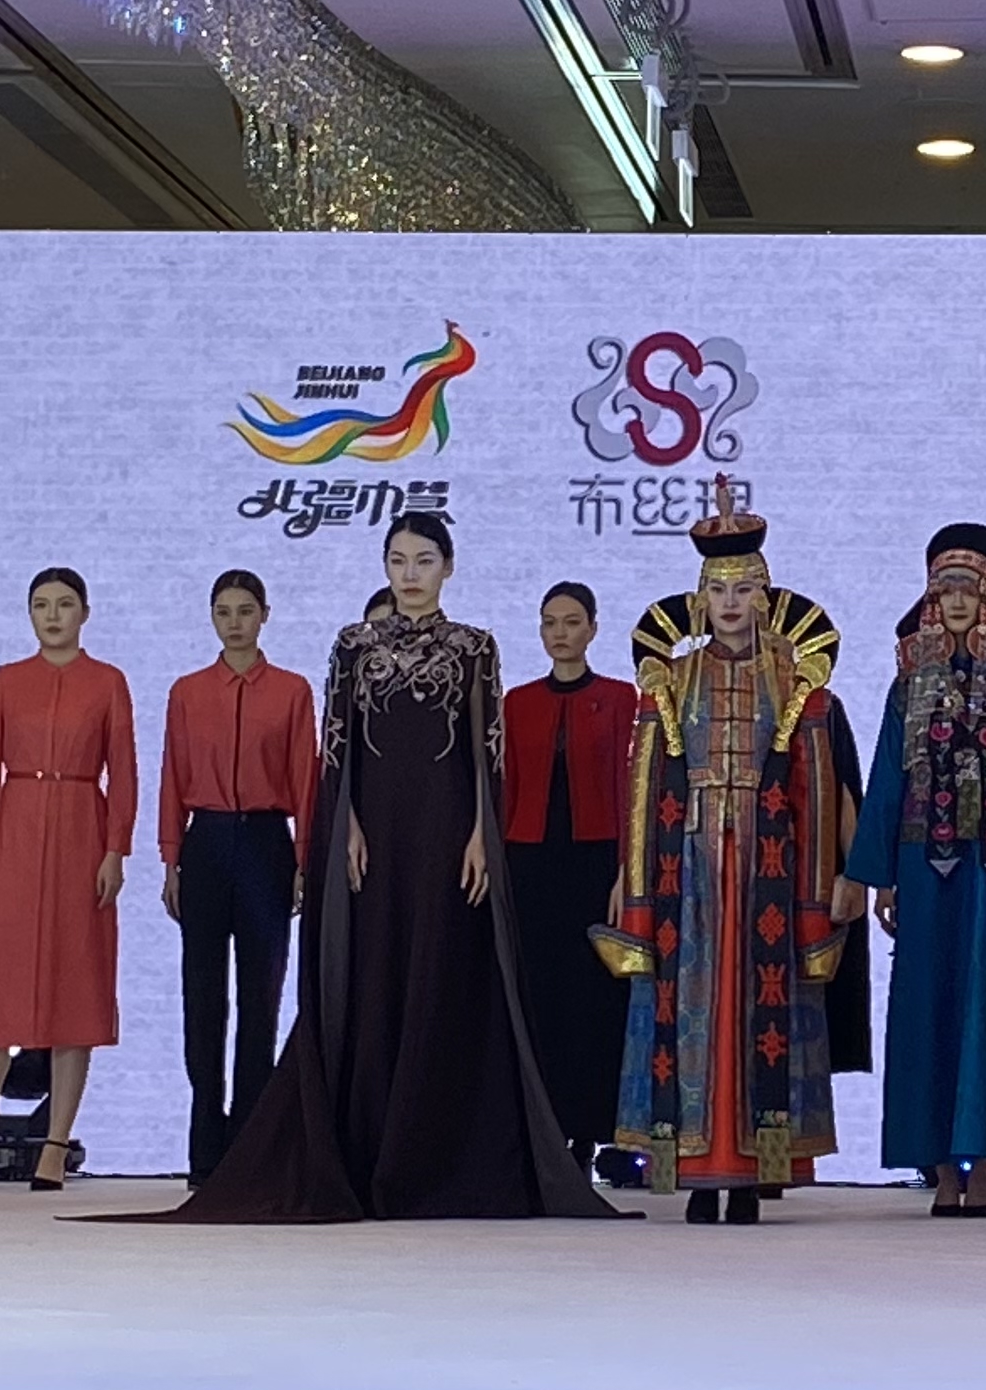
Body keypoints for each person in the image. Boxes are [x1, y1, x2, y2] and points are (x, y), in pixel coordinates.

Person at [175, 512, 604, 1221]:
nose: (410, 574)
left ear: (448, 567)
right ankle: (368, 1146)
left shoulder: (475, 647)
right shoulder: (353, 646)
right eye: (398, 560)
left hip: (447, 837)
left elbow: (486, 750)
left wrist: (483, 835)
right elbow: (336, 750)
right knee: (374, 973)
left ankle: (433, 1153)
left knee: (438, 972)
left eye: (424, 560)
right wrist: (341, 826)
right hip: (371, 842)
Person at [605, 494, 856, 1224]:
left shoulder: (795, 683)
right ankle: (694, 1170)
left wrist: (823, 886)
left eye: (745, 589)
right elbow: (644, 785)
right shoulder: (673, 679)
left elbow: (815, 786)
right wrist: (632, 877)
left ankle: (749, 1175)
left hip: (767, 865)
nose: (731, 603)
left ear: (766, 597)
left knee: (756, 1007)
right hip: (687, 868)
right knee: (689, 1007)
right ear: (699, 599)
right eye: (719, 591)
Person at [844, 525, 986, 1215]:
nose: (955, 601)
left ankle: (985, 1166)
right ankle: (941, 1170)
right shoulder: (908, 687)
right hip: (924, 870)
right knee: (927, 1009)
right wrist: (881, 878)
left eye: (968, 589)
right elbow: (888, 778)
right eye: (944, 589)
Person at [0, 567, 131, 1191]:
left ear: (85, 612)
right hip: (16, 830)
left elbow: (124, 772)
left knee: (75, 987)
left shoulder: (108, 681)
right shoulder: (6, 681)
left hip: (82, 829)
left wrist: (115, 850)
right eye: (41, 604)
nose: (53, 615)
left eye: (64, 604)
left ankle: (55, 1145)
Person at [159, 568, 310, 1180]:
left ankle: (251, 1143)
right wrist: (170, 857)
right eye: (223, 611)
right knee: (202, 995)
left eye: (246, 610)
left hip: (268, 843)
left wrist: (305, 860)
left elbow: (305, 779)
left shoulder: (292, 691)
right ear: (211, 617)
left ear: (265, 615)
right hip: (207, 842)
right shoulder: (188, 691)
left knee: (261, 996)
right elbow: (172, 775)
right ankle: (204, 1146)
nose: (235, 622)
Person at [501, 581, 635, 1174]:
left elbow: (630, 788)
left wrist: (627, 868)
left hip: (596, 861)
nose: (560, 632)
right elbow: (507, 788)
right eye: (550, 622)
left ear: (593, 629)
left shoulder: (620, 697)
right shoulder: (517, 702)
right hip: (530, 861)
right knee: (541, 994)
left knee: (595, 999)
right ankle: (543, 1130)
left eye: (572, 621)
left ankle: (593, 1132)